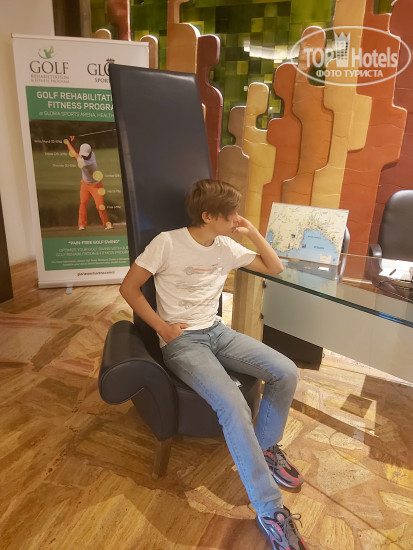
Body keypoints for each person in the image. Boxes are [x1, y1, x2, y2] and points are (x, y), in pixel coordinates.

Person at [120, 179, 308, 550]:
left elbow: (275, 267)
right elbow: (129, 288)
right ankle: (270, 510)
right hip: (183, 342)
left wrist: (252, 231)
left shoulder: (225, 245)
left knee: (285, 371)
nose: (237, 218)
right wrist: (161, 327)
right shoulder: (167, 243)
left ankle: (265, 448)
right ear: (208, 216)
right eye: (231, 213)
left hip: (217, 332)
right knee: (233, 405)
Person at [64, 136, 112, 231]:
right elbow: (78, 152)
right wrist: (71, 143)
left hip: (96, 186)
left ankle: (106, 225)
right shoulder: (92, 154)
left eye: (85, 155)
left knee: (100, 206)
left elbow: (73, 153)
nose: (84, 156)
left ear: (90, 153)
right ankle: (81, 225)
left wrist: (68, 142)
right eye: (83, 154)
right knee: (83, 204)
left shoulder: (84, 162)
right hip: (85, 184)